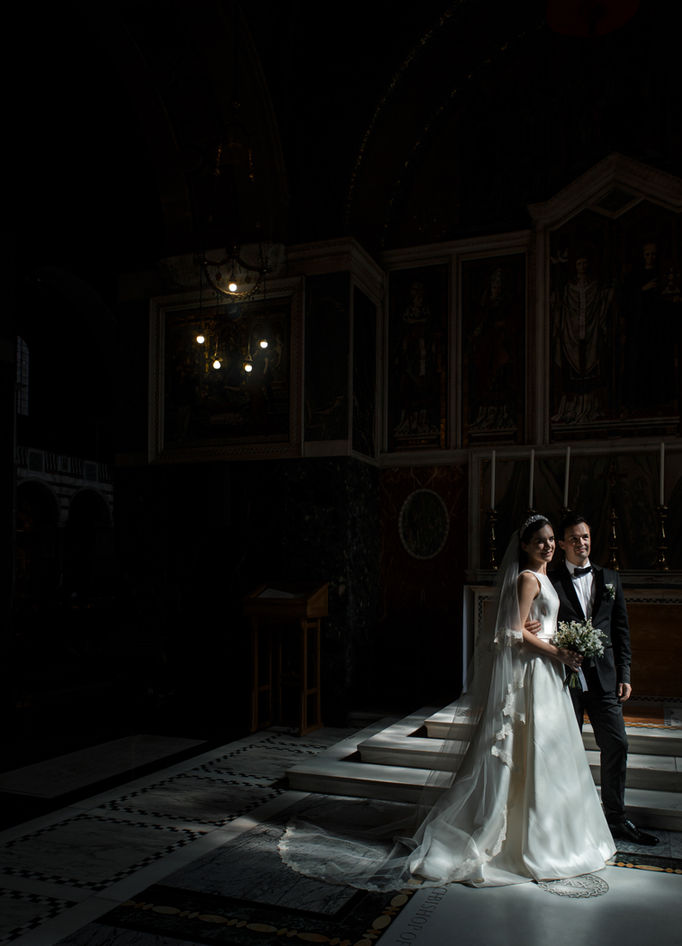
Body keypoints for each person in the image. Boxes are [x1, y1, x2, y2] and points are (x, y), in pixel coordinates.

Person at [279, 514, 615, 890]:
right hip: (533, 674)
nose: (548, 545)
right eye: (540, 540)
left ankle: (555, 834)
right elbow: (512, 631)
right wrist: (557, 651)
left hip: (547, 674)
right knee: (525, 750)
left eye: (552, 539)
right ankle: (521, 838)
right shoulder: (525, 578)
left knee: (548, 752)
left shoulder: (544, 578)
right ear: (524, 545)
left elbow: (531, 624)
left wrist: (556, 643)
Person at [548, 513, 659, 846]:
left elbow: (621, 630)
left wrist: (624, 672)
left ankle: (616, 819)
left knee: (618, 744)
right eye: (575, 538)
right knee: (563, 749)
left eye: (586, 537)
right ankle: (564, 820)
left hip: (605, 679)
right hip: (563, 680)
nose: (582, 543)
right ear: (563, 544)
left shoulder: (611, 578)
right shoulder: (550, 581)